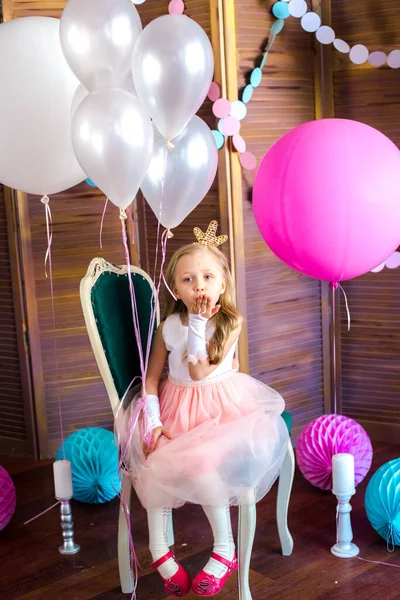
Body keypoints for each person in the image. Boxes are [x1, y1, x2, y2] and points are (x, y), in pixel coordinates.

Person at [115, 221, 289, 597]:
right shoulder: (168, 327)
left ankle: (225, 550)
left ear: (222, 285)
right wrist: (154, 424)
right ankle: (159, 550)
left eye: (208, 277)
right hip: (177, 408)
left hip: (222, 411)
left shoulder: (230, 323)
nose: (199, 286)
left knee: (200, 462)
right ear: (174, 288)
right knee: (155, 461)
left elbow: (197, 370)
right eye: (188, 279)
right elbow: (151, 379)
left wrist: (197, 321)